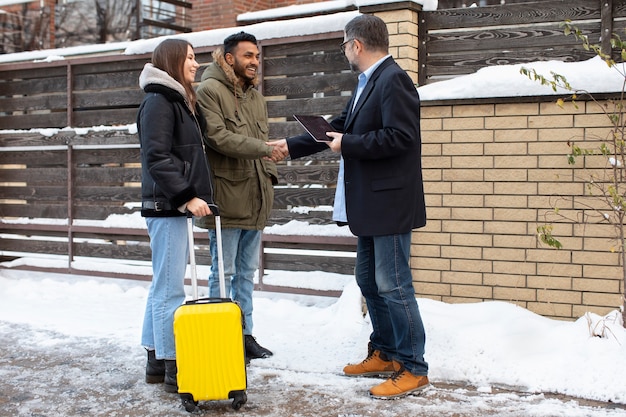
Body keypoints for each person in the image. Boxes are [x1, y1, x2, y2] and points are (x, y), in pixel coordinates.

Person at [270, 15, 429, 399]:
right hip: (371, 206)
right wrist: (289, 146)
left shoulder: (394, 80)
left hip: (389, 204)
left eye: (344, 45)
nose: (344, 51)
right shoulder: (368, 83)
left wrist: (350, 145)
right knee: (369, 281)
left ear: (356, 44)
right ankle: (387, 353)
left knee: (394, 285)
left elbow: (401, 138)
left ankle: (414, 367)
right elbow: (338, 127)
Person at [195, 31, 282, 361]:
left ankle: (244, 335)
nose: (255, 62)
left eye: (257, 56)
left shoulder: (256, 98)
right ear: (229, 58)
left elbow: (263, 140)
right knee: (223, 273)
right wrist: (265, 150)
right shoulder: (209, 91)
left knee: (246, 275)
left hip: (257, 198)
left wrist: (269, 173)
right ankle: (219, 336)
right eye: (248, 56)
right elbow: (218, 138)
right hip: (227, 200)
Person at [137, 38, 214, 393]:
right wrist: (186, 197)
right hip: (168, 206)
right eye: (190, 58)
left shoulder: (177, 100)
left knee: (162, 286)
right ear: (172, 61)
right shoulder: (160, 101)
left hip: (168, 206)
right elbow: (157, 157)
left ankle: (155, 358)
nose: (195, 64)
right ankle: (172, 365)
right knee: (170, 291)